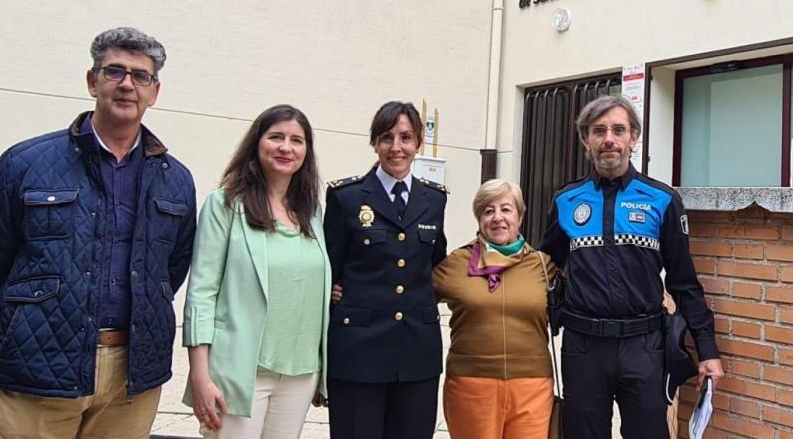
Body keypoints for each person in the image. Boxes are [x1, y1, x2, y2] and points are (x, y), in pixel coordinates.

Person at [0, 27, 196, 439]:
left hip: (132, 373)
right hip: (38, 363)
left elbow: (171, 267)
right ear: (92, 81)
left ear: (154, 91)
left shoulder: (175, 179)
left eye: (141, 76)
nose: (127, 84)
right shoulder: (25, 162)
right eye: (115, 71)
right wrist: (34, 316)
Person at [540, 95, 723, 439]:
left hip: (644, 347)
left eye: (618, 129)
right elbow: (544, 268)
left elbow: (684, 281)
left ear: (634, 138)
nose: (609, 138)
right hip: (583, 347)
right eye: (598, 131)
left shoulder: (663, 200)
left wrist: (707, 350)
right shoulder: (566, 201)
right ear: (586, 140)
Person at [182, 104, 331, 439]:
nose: (286, 147)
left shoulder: (312, 214)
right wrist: (200, 376)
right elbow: (201, 293)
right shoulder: (224, 206)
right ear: (257, 143)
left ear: (306, 152)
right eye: (276, 137)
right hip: (241, 371)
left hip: (301, 372)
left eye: (297, 140)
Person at [323, 101, 448, 439]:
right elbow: (327, 269)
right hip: (358, 350)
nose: (396, 148)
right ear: (374, 143)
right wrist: (332, 293)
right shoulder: (346, 197)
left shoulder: (434, 200)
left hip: (416, 352)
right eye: (387, 138)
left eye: (406, 138)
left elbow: (437, 265)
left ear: (418, 142)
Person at [432, 179, 558, 439]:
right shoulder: (455, 264)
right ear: (479, 218)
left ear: (520, 217)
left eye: (506, 209)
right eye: (488, 211)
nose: (497, 218)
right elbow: (407, 292)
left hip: (532, 386)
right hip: (471, 385)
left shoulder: (543, 266)